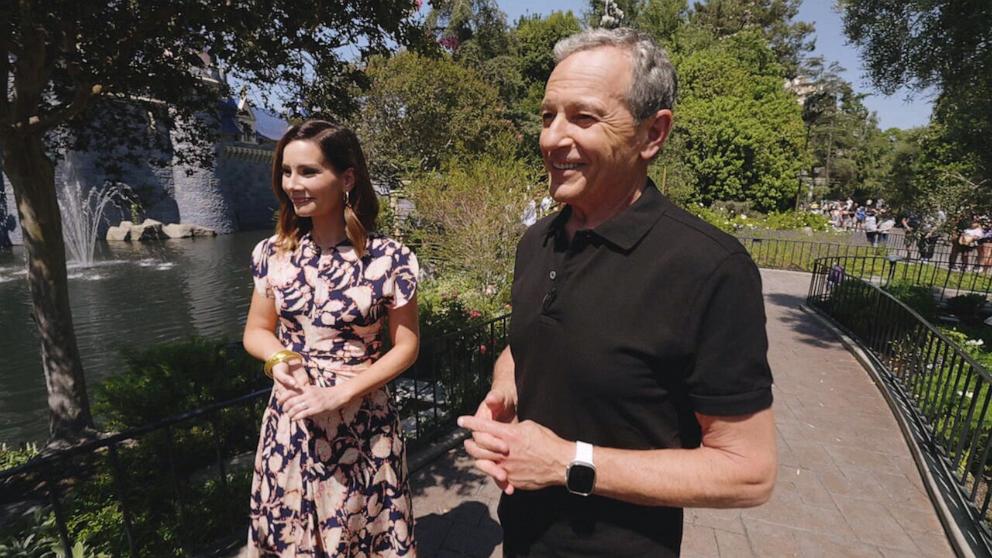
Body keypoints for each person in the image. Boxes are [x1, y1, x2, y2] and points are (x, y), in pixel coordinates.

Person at [457, 28, 776, 557]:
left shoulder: (708, 267)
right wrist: (505, 391)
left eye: (583, 117)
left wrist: (567, 462)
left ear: (653, 134)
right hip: (521, 536)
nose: (552, 138)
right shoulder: (538, 241)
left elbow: (749, 472)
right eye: (546, 116)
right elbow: (528, 342)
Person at [242, 120, 420, 556]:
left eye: (307, 172)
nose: (292, 185)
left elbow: (407, 346)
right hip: (292, 424)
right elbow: (257, 332)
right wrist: (280, 359)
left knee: (362, 535)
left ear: (347, 178)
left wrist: (341, 392)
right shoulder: (273, 253)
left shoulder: (389, 259)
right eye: (286, 172)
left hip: (363, 424)